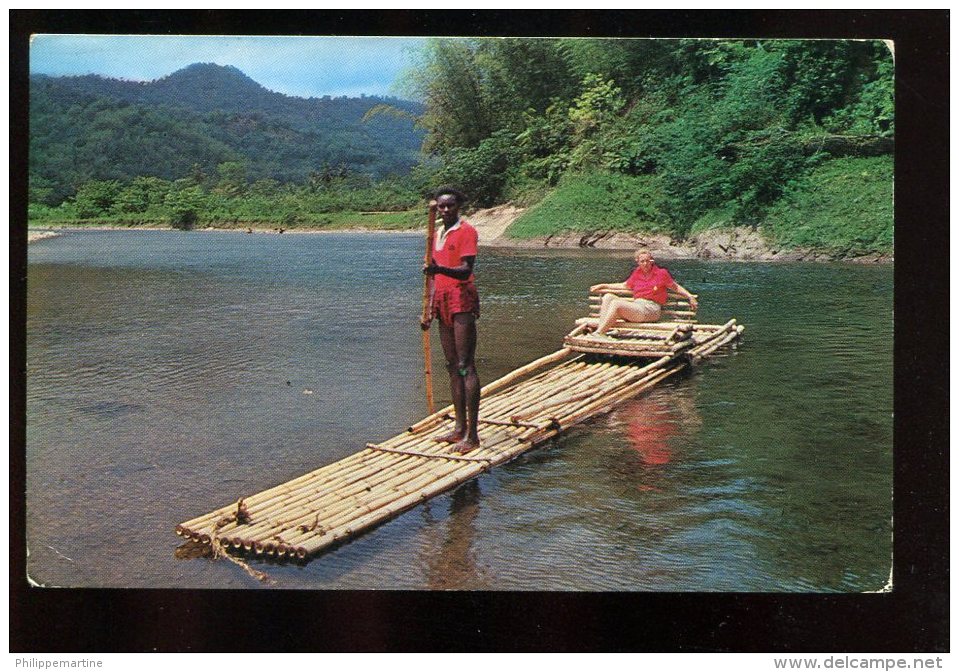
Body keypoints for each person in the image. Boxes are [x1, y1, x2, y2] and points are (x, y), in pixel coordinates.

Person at [422, 187, 481, 453]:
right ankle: (458, 428)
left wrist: (439, 269)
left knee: (465, 364)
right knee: (450, 364)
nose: (445, 210)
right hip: (441, 299)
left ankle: (472, 435)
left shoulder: (466, 231)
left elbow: (466, 269)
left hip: (461, 297)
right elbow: (432, 277)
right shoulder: (433, 235)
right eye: (442, 206)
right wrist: (428, 309)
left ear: (458, 207)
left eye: (450, 206)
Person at [591, 251, 698, 335]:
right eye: (642, 261)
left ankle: (600, 332)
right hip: (637, 307)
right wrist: (603, 285)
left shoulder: (661, 273)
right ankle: (601, 330)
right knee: (608, 297)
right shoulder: (637, 273)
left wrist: (689, 296)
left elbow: (675, 287)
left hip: (651, 309)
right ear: (638, 262)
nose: (645, 264)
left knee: (616, 304)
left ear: (652, 261)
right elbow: (624, 285)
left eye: (648, 261)